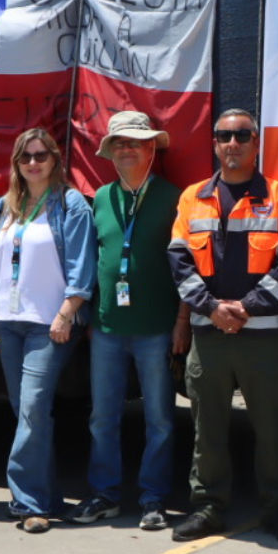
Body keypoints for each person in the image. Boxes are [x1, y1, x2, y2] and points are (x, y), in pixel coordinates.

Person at [166, 109, 278, 545]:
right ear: (214, 143)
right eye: (224, 135)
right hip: (210, 337)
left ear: (256, 143)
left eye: (242, 136)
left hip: (263, 339)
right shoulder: (193, 197)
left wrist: (243, 308)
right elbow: (178, 259)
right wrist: (211, 308)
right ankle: (208, 508)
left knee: (271, 430)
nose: (233, 143)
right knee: (207, 431)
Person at [75, 111, 189, 532]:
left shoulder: (174, 198)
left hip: (156, 326)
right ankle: (104, 494)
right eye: (119, 143)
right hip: (106, 328)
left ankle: (153, 498)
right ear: (110, 152)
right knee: (102, 417)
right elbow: (93, 259)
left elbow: (186, 265)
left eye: (135, 142)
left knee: (159, 418)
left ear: (152, 148)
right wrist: (90, 315)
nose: (126, 148)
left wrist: (182, 320)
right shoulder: (101, 198)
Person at [0, 127, 94, 533]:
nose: (33, 163)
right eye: (25, 157)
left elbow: (83, 267)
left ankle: (26, 502)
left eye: (40, 155)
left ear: (55, 159)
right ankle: (46, 500)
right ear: (16, 163)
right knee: (29, 414)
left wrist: (67, 313)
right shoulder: (5, 206)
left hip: (50, 324)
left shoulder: (70, 204)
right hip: (8, 323)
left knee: (31, 408)